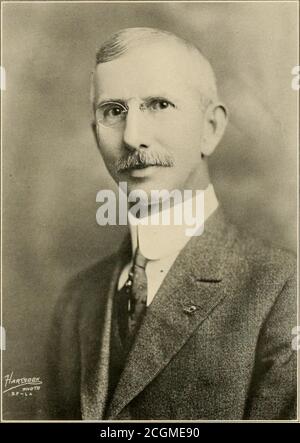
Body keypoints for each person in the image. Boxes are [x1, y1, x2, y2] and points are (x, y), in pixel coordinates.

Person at [46, 27, 297, 420]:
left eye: (159, 104)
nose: (133, 137)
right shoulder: (76, 300)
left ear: (210, 128)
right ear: (96, 134)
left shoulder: (282, 287)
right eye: (113, 111)